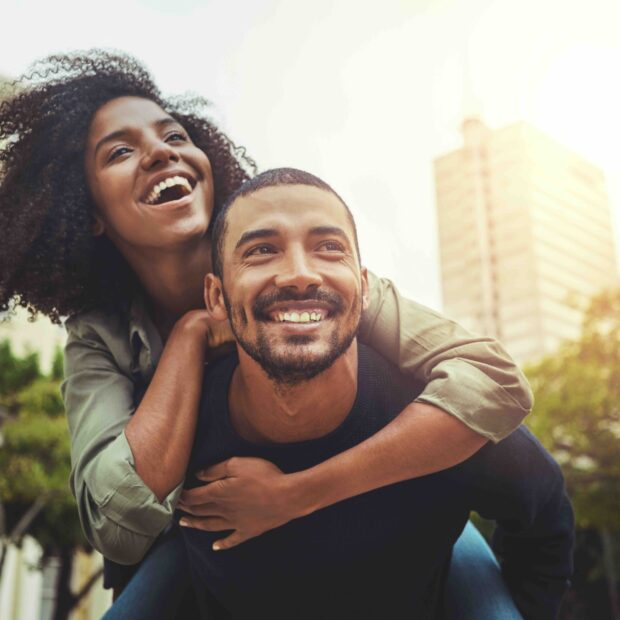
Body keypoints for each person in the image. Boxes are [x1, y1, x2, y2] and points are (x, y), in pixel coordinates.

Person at [0, 50, 531, 604]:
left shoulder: (300, 277)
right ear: (86, 214)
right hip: (199, 539)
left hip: (383, 503)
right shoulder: (96, 336)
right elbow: (117, 523)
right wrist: (190, 336)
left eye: (175, 136)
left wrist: (297, 494)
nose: (160, 152)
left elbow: (494, 382)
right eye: (120, 152)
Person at [177, 168, 574, 619]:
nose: (299, 275)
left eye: (328, 248)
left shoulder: (447, 418)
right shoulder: (183, 424)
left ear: (365, 287)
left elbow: (545, 518)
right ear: (216, 296)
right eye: (262, 250)